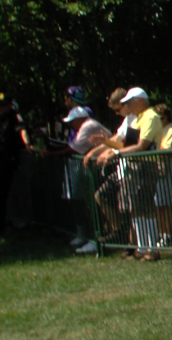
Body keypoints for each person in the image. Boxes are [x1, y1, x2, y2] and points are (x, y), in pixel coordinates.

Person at [97, 87, 164, 262]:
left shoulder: (151, 117)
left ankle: (153, 248)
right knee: (135, 209)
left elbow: (142, 146)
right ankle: (142, 248)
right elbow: (128, 145)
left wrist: (117, 154)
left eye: (129, 102)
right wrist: (108, 144)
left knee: (146, 208)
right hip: (133, 167)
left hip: (145, 167)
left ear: (140, 100)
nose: (128, 106)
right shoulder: (137, 120)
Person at [84, 88, 137, 258]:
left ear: (125, 104)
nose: (116, 113)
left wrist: (111, 152)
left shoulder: (137, 120)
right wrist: (93, 153)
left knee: (131, 208)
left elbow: (127, 144)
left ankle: (132, 243)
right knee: (102, 195)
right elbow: (115, 140)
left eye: (117, 109)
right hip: (122, 169)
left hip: (132, 168)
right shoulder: (127, 120)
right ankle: (119, 231)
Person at [60, 106, 112, 254]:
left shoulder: (88, 126)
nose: (71, 125)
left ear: (80, 119)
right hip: (98, 169)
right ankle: (97, 238)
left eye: (72, 121)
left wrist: (52, 154)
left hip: (104, 169)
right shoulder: (86, 126)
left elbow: (74, 149)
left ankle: (99, 239)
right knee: (94, 201)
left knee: (97, 201)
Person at [0, 93, 32, 237]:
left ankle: (19, 223)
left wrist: (28, 143)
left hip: (9, 161)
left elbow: (22, 130)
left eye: (3, 105)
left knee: (11, 193)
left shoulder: (14, 117)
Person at [153, 103, 172, 247]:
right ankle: (162, 233)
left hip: (167, 168)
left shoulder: (171, 131)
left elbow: (166, 150)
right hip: (156, 169)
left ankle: (168, 234)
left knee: (164, 204)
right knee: (158, 204)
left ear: (165, 118)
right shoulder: (160, 131)